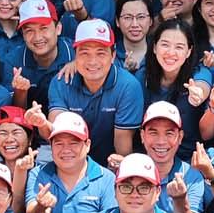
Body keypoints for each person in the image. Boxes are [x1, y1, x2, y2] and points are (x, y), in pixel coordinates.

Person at [49, 19, 152, 165]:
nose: (92, 61)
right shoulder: (62, 81)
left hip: (110, 163)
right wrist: (42, 124)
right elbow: (57, 130)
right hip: (70, 159)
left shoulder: (127, 85)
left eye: (101, 53)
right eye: (85, 53)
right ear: (75, 55)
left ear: (113, 56)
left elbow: (122, 147)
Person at [7, 0, 72, 114]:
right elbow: (14, 115)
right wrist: (20, 92)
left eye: (43, 28)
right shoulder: (12, 61)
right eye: (29, 31)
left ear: (58, 28)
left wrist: (80, 63)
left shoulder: (77, 53)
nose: (37, 37)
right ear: (23, 35)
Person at [114, 0, 156, 73]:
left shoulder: (160, 52)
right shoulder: (110, 54)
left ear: (151, 21)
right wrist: (124, 73)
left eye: (141, 17)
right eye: (127, 18)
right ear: (117, 21)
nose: (135, 24)